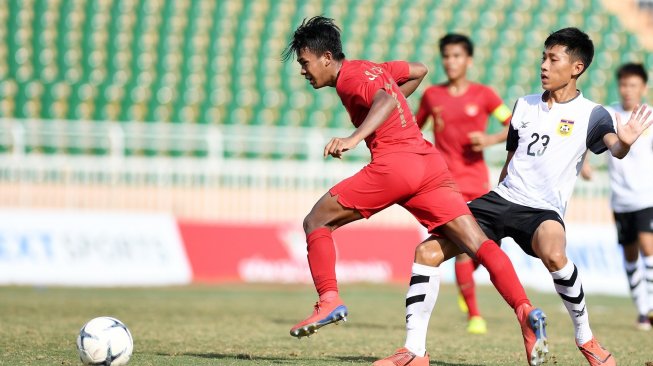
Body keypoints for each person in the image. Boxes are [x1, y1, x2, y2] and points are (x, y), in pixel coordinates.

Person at [377, 27, 653, 366]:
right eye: (543, 58)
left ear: (577, 67)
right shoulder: (524, 105)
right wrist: (494, 200)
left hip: (543, 210)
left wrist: (624, 141)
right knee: (427, 251)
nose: (544, 66)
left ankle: (587, 339)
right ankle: (414, 351)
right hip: (501, 200)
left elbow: (616, 149)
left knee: (554, 254)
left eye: (553, 59)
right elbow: (511, 163)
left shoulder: (594, 114)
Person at [282, 16, 548, 366]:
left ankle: (328, 299)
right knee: (477, 243)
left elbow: (385, 102)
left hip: (396, 165)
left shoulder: (351, 79)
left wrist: (355, 136)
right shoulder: (374, 68)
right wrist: (393, 99)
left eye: (305, 62)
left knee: (316, 222)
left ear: (326, 57)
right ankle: (524, 312)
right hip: (429, 164)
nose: (303, 70)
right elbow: (419, 70)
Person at [415, 33, 513, 335]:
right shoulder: (432, 96)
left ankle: (464, 281)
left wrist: (489, 139)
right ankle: (474, 315)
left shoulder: (485, 95)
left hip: (479, 183)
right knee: (460, 248)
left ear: (468, 60)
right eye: (446, 56)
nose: (450, 62)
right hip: (445, 185)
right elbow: (414, 130)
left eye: (457, 56)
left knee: (487, 245)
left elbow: (511, 125)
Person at [583, 62, 653, 331]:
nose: (627, 90)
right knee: (630, 255)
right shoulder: (610, 114)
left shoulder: (649, 117)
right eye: (624, 84)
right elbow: (589, 136)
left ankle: (649, 307)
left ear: (643, 87)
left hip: (646, 197)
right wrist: (586, 164)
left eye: (633, 85)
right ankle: (641, 310)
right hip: (619, 199)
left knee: (649, 249)